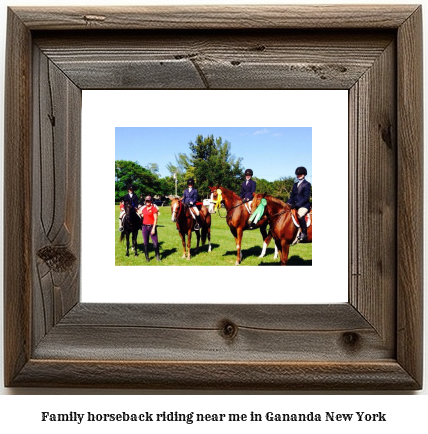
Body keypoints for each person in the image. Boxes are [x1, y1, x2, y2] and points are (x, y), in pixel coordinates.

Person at [287, 166, 311, 241]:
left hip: (304, 205)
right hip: (295, 204)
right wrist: (287, 203)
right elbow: (292, 196)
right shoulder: (295, 184)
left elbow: (306, 197)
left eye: (300, 174)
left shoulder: (307, 184)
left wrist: (297, 205)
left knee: (300, 214)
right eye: (297, 174)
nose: (298, 176)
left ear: (304, 175)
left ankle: (304, 233)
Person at [140, 195, 161, 262]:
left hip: (151, 227)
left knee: (155, 243)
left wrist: (154, 228)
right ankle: (147, 258)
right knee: (145, 243)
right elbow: (139, 213)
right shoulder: (144, 209)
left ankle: (157, 257)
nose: (147, 202)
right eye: (146, 201)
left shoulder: (154, 209)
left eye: (149, 201)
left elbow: (155, 219)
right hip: (144, 227)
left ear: (151, 201)